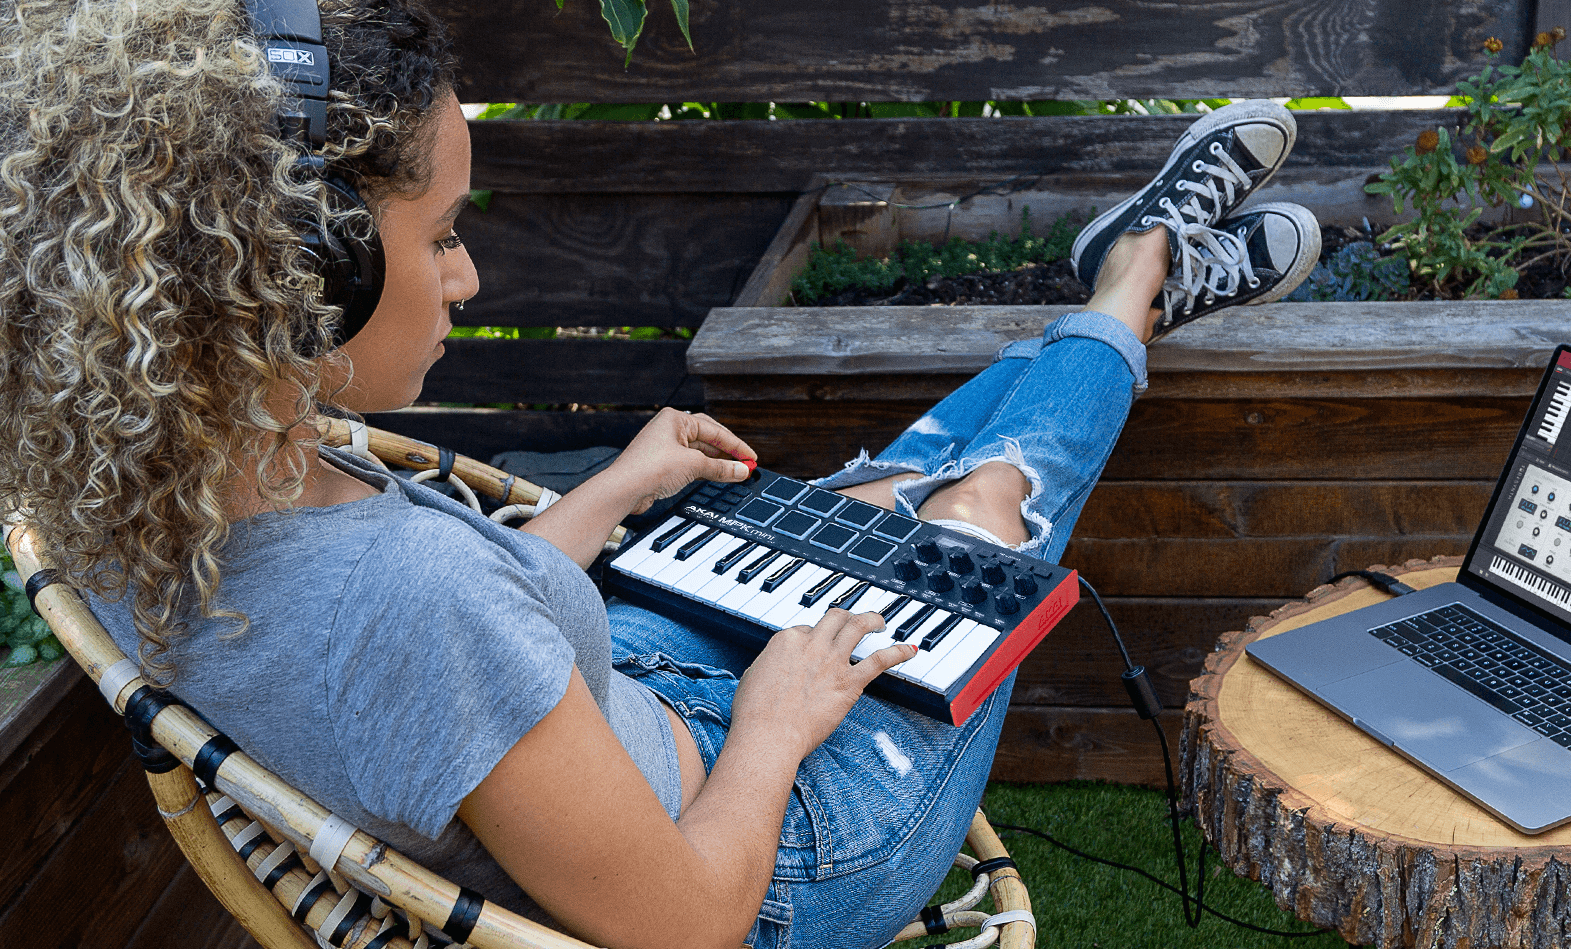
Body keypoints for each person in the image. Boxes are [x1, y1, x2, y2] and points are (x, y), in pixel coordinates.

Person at [0, 1, 1319, 947]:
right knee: (976, 514)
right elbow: (686, 924)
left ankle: (1126, 294)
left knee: (844, 518)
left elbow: (449, 675)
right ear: (301, 274)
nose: (467, 277)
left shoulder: (148, 474)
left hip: (613, 720)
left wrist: (616, 490)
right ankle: (1138, 272)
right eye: (445, 234)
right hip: (776, 856)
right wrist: (778, 722)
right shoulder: (403, 605)